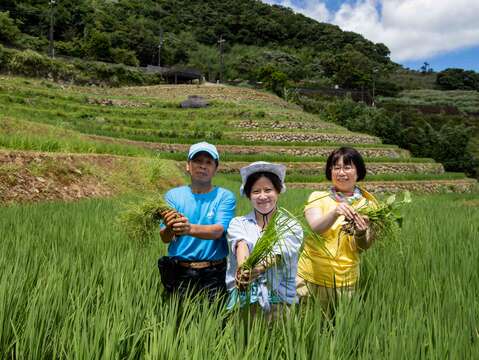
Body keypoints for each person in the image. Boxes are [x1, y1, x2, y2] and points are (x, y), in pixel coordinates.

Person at [296, 147, 378, 316]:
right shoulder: (318, 197)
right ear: (330, 171)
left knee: (339, 330)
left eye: (347, 167)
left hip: (345, 281)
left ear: (358, 171)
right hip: (311, 277)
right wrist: (335, 212)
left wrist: (361, 233)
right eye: (336, 167)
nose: (341, 172)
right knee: (307, 329)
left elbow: (363, 247)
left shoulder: (370, 206)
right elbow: (316, 227)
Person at [157, 142, 236, 301]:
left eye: (208, 162)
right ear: (188, 166)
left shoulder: (224, 196)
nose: (203, 166)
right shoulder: (173, 196)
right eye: (197, 161)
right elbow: (165, 238)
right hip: (180, 271)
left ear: (215, 169)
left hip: (214, 273)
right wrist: (171, 227)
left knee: (214, 322)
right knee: (178, 322)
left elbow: (218, 230)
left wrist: (188, 228)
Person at [225, 162, 303, 320]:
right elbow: (241, 244)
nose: (262, 196)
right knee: (244, 341)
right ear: (248, 195)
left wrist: (259, 268)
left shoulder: (291, 225)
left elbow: (280, 253)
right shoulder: (238, 223)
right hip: (245, 299)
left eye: (268, 190)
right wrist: (243, 268)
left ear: (278, 191)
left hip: (280, 301)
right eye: (256, 191)